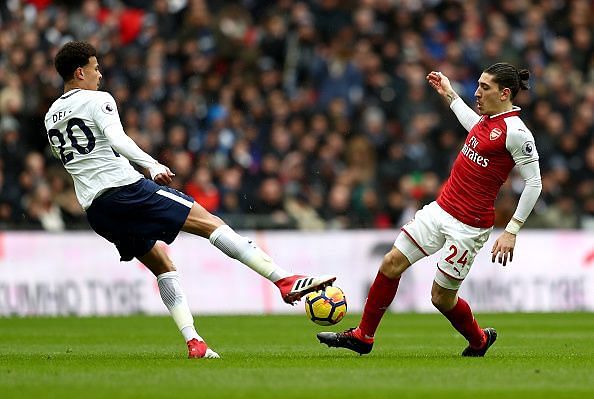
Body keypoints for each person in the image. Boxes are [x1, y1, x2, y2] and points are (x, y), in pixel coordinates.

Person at [44, 41, 336, 359]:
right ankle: (284, 280)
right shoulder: (98, 99)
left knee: (163, 265)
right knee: (211, 223)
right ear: (80, 71)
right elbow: (117, 139)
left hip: (97, 210)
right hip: (127, 190)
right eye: (96, 68)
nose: (100, 75)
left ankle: (194, 342)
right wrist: (152, 164)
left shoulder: (50, 117)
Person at [318, 63, 542, 357]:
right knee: (391, 263)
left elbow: (534, 183)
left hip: (468, 227)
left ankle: (479, 340)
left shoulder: (517, 133)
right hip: (441, 209)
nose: (477, 92)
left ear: (505, 93)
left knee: (441, 298)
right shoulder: (487, 122)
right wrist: (449, 94)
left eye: (484, 88)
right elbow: (472, 125)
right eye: (477, 85)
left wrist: (511, 231)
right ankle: (364, 336)